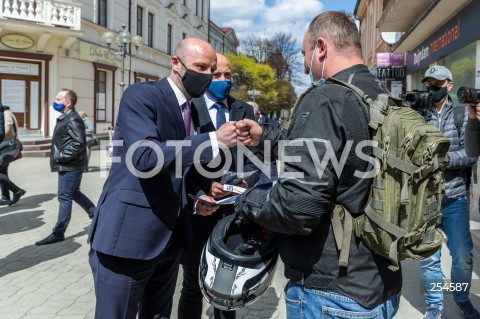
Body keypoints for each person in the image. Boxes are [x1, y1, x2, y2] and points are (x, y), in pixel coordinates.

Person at [234, 11, 402, 318]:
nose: (304, 64)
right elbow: (340, 156)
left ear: (321, 47)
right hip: (380, 284)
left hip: (330, 292)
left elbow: (298, 209)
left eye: (304, 53)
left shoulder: (325, 99)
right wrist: (266, 137)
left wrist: (245, 200)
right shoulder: (380, 96)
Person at [87, 38, 238, 319]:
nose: (207, 75)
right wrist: (212, 139)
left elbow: (178, 168)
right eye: (201, 66)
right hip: (128, 240)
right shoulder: (142, 95)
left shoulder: (193, 110)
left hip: (168, 241)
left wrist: (197, 196)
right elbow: (145, 157)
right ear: (175, 63)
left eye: (212, 68)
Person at [178, 52, 260, 319]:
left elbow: (257, 158)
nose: (224, 80)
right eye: (216, 75)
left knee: (227, 289)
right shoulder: (190, 107)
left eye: (228, 75)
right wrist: (202, 190)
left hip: (233, 214)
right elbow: (180, 160)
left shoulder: (243, 110)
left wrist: (247, 180)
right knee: (192, 284)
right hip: (199, 211)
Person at [418, 65, 479, 319]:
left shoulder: (463, 115)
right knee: (429, 257)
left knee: (463, 256)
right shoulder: (419, 114)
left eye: (437, 84)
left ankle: (461, 296)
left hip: (455, 198)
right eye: (429, 84)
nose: (432, 89)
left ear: (449, 85)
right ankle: (434, 305)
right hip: (426, 199)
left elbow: (471, 154)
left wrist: (442, 160)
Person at [35, 89, 96, 246]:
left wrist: (60, 156)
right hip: (72, 164)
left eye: (58, 99)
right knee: (74, 193)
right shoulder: (67, 117)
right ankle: (97, 215)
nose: (55, 101)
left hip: (70, 166)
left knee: (64, 197)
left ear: (68, 103)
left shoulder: (73, 119)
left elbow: (79, 143)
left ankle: (58, 232)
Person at [0, 105, 26, 206]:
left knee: (2, 172)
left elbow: (7, 129)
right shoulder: (4, 113)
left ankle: (17, 191)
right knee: (2, 172)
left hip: (7, 147)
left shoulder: (6, 114)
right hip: (5, 147)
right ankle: (5, 197)